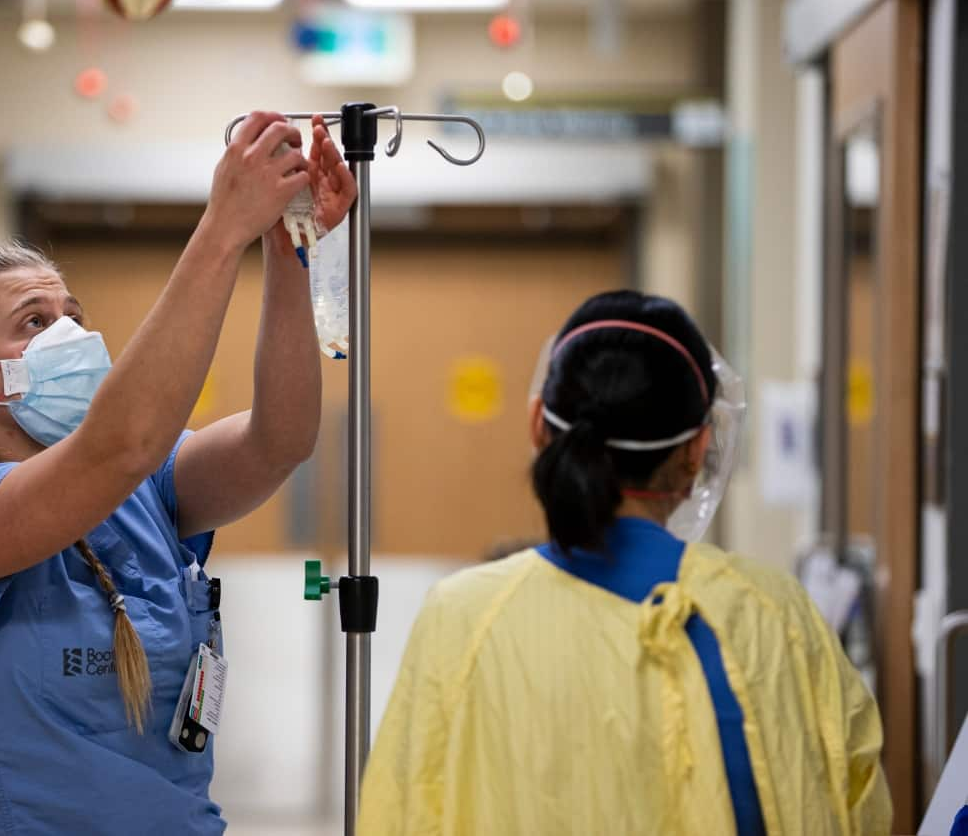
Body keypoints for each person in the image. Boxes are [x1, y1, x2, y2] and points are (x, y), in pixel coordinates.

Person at [0, 112, 356, 835]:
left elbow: (280, 440)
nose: (70, 335)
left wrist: (289, 249)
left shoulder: (146, 490)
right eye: (34, 321)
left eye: (72, 312)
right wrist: (221, 230)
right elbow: (122, 442)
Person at [358, 291, 891, 836]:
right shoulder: (776, 617)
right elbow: (860, 809)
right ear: (698, 448)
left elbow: (399, 814)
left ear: (538, 425)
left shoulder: (466, 619)